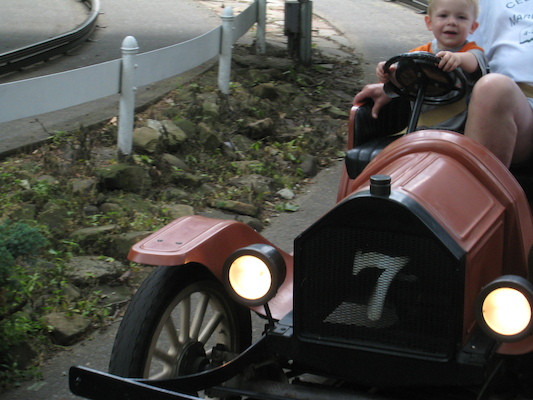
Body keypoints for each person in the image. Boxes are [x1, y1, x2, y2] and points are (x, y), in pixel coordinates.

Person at [354, 0, 533, 168]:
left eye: (460, 18)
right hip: (434, 126)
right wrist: (389, 79)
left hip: (485, 109)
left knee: (494, 87)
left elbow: (474, 60)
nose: (452, 22)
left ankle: (469, 191)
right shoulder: (424, 50)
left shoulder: (470, 54)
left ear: (472, 26)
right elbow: (403, 69)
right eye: (444, 16)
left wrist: (457, 58)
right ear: (429, 22)